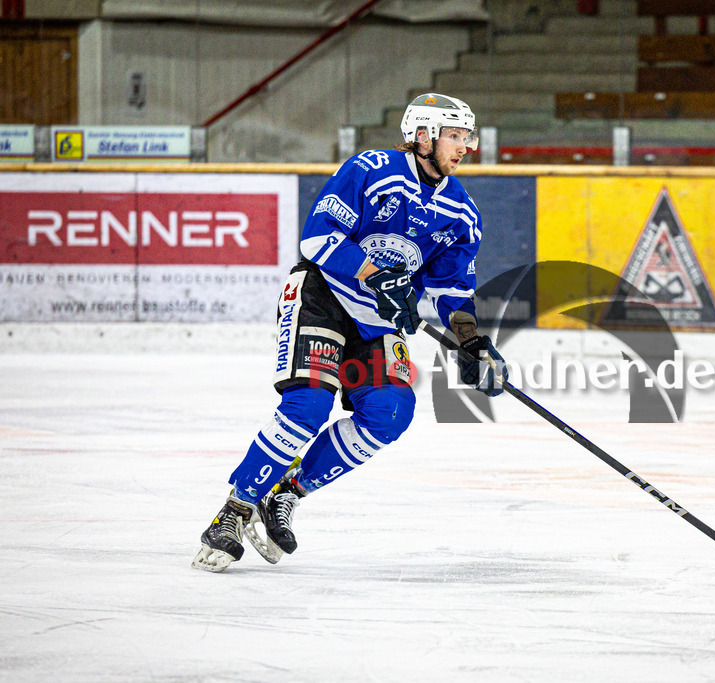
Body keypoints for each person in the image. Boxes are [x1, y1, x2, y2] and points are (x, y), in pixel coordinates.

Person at [193, 93, 508, 572]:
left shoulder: (462, 213)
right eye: (455, 136)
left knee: (390, 411)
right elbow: (318, 237)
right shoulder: (371, 168)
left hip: (377, 322)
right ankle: (234, 510)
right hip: (322, 296)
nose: (465, 147)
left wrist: (471, 343)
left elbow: (451, 291)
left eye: (467, 137)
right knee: (309, 404)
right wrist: (375, 274)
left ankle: (286, 492)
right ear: (423, 135)